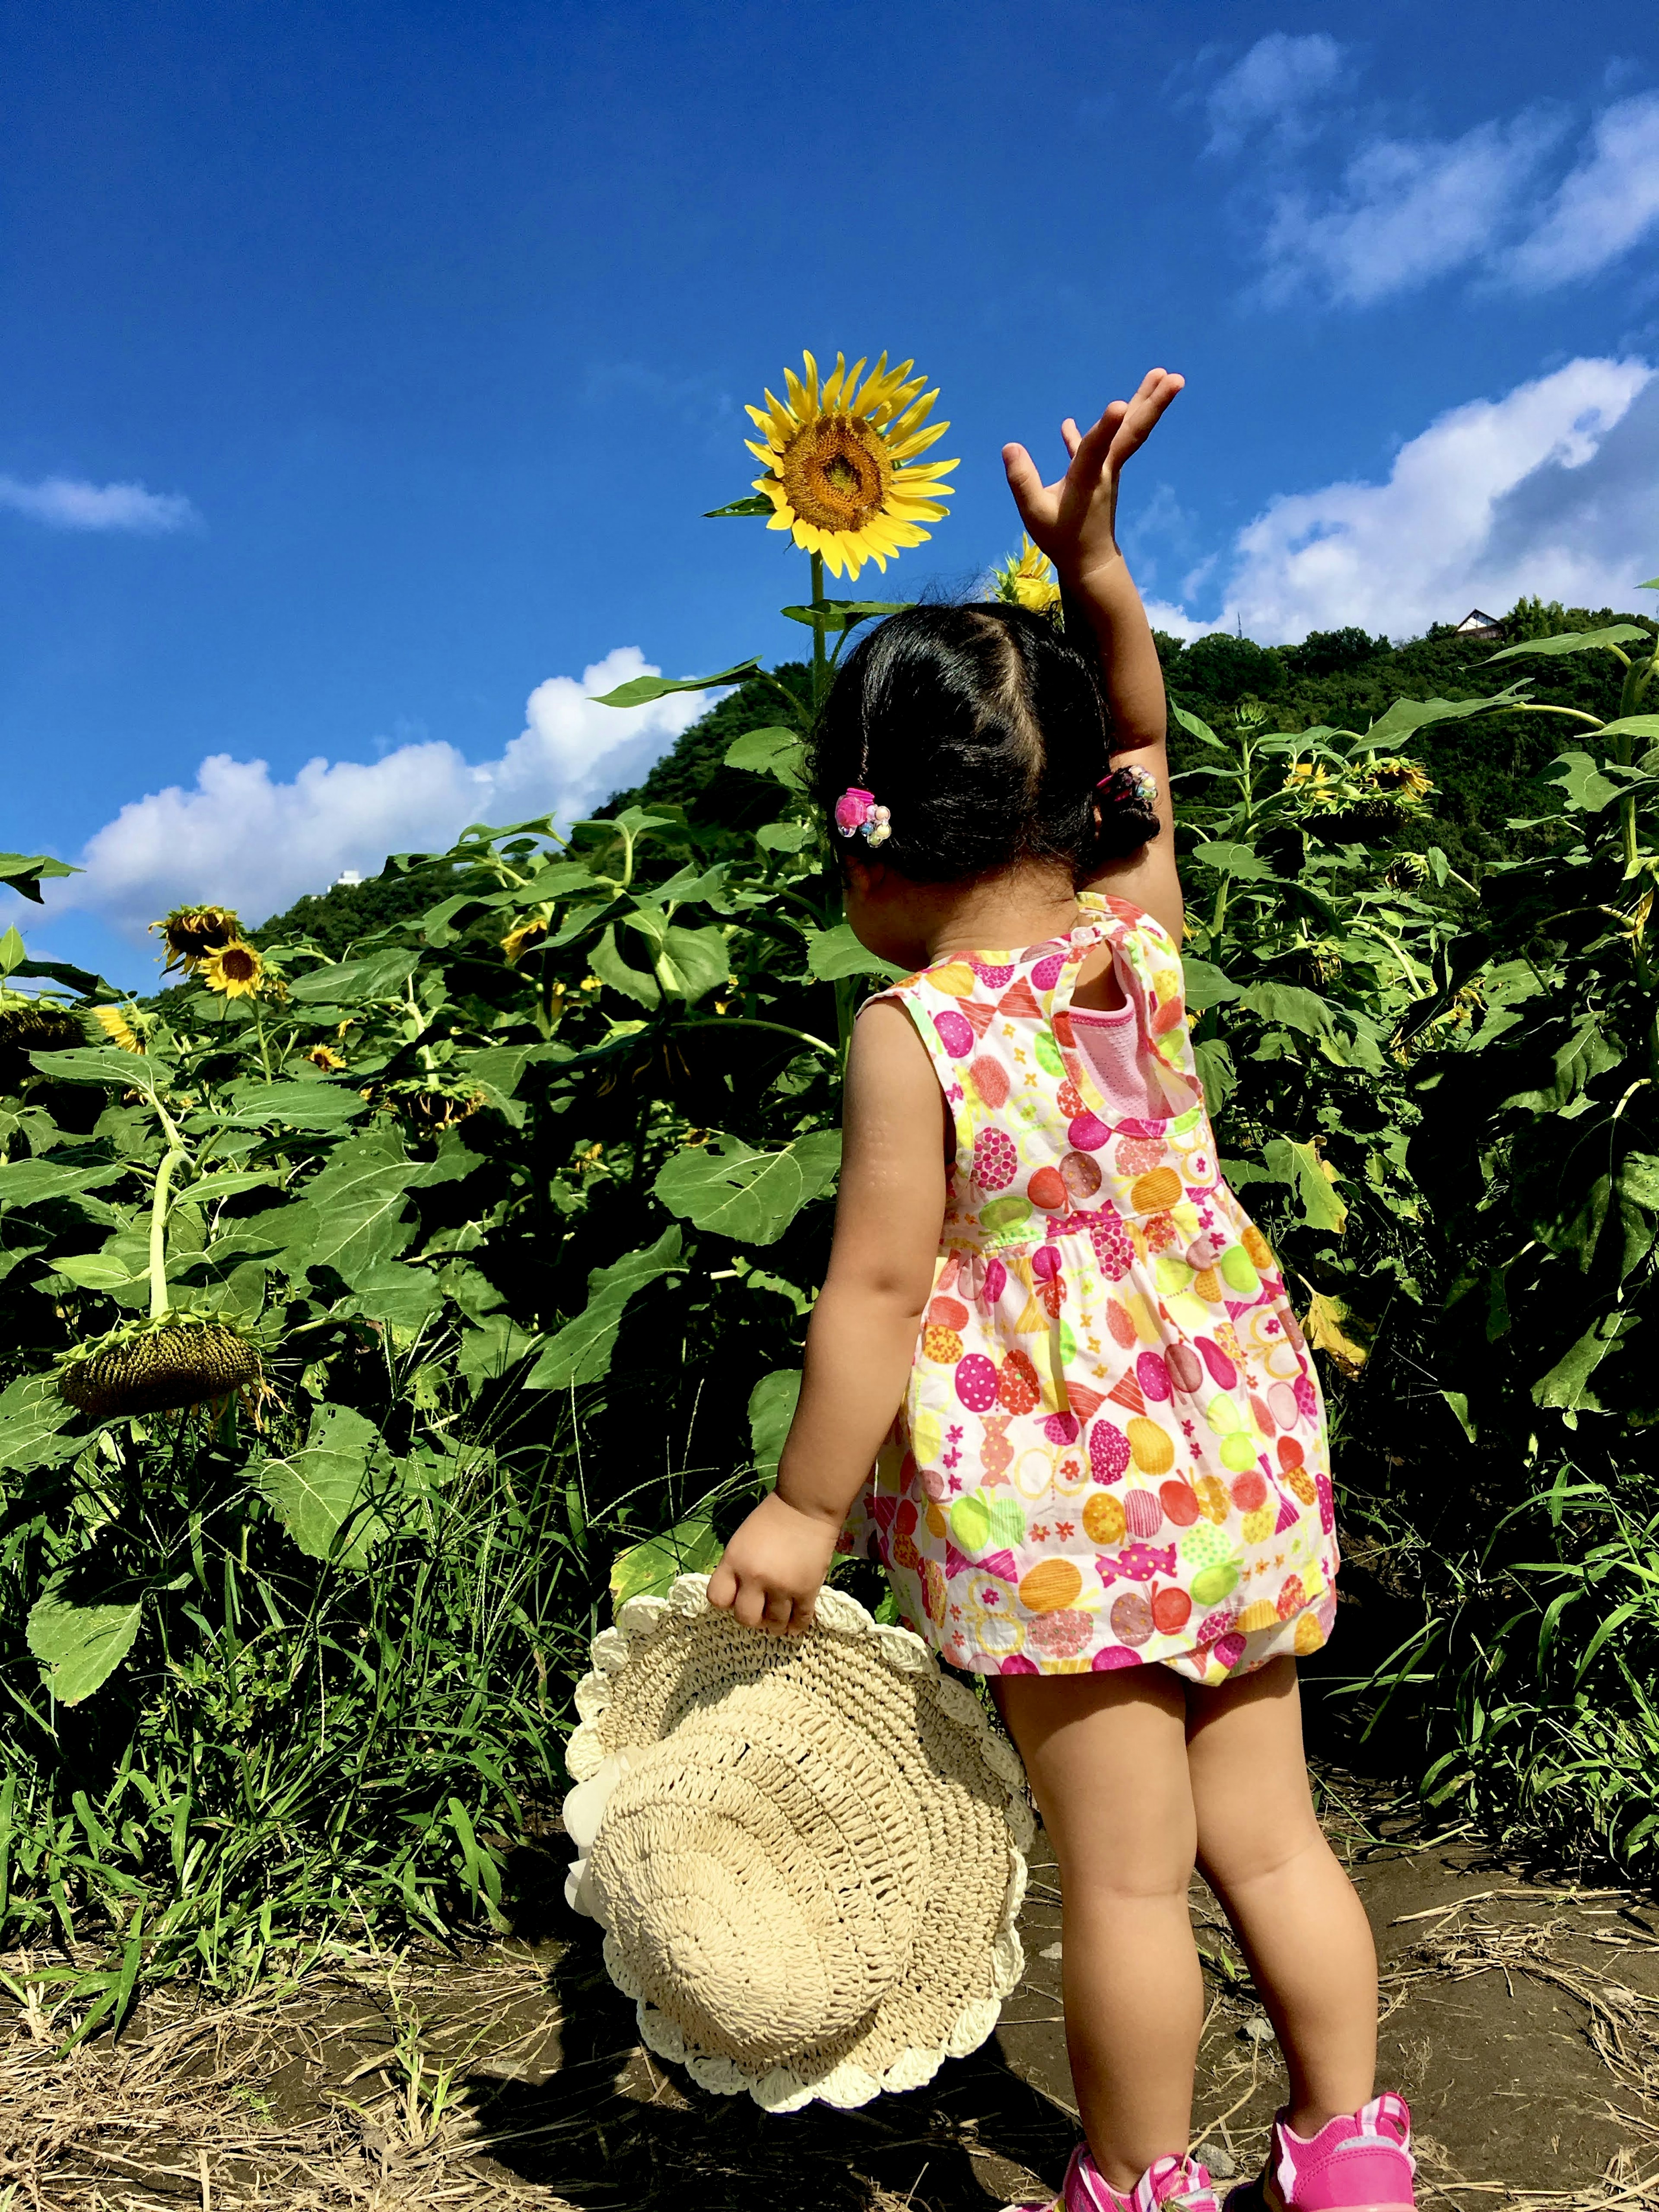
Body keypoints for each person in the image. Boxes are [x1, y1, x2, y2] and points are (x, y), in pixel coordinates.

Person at [708, 371, 1415, 2212]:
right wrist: (1098, 577)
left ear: (865, 843)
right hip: (1231, 1439)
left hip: (1062, 1495)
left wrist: (805, 1504)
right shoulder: (1140, 947)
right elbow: (1153, 744)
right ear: (1077, 804)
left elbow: (873, 1286)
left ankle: (1140, 2182)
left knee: (1123, 1875)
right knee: (1273, 1840)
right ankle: (1351, 2158)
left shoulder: (911, 1030)